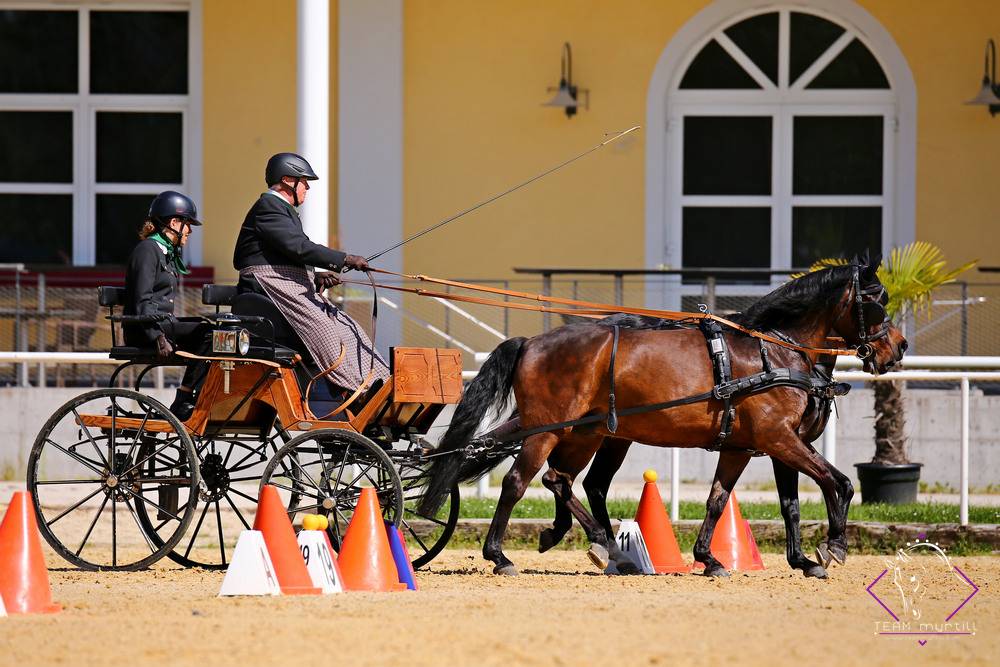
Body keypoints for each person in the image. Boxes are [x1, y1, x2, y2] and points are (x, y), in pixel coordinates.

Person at [233, 152, 390, 394]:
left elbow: (283, 253)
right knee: (325, 331)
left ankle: (379, 384)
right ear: (287, 180)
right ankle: (355, 390)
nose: (307, 187)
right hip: (267, 288)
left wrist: (315, 276)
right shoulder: (269, 207)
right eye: (304, 181)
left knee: (349, 327)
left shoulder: (281, 210)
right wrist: (345, 258)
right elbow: (299, 247)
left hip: (287, 284)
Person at [123, 191, 210, 420]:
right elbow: (141, 300)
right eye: (188, 224)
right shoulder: (148, 250)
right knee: (208, 335)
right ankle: (184, 399)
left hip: (162, 325)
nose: (189, 231)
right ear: (174, 223)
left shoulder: (165, 253)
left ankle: (195, 396)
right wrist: (156, 336)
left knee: (213, 330)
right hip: (146, 329)